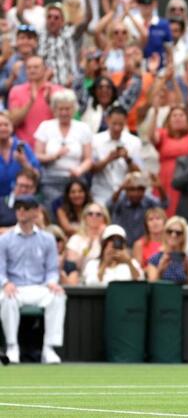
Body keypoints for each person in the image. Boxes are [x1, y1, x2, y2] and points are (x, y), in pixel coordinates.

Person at [0, 194, 66, 364]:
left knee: (58, 296)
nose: (21, 211)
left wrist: (52, 282)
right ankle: (12, 346)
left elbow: (51, 269)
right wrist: (6, 283)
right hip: (14, 288)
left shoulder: (48, 239)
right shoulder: (4, 239)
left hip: (39, 288)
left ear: (36, 212)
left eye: (26, 208)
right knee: (6, 298)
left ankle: (49, 348)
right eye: (19, 208)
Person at [32, 89, 91, 208]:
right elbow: (37, 155)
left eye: (67, 109)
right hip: (51, 179)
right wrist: (54, 156)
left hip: (75, 179)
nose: (64, 112)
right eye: (61, 109)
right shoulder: (45, 126)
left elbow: (88, 159)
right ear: (54, 109)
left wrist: (79, 170)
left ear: (73, 109)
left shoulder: (83, 128)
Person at [90, 105, 142, 205]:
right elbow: (92, 169)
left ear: (125, 122)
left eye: (120, 124)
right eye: (114, 124)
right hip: (101, 193)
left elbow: (138, 173)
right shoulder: (95, 140)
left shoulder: (134, 142)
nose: (117, 128)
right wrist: (108, 159)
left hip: (125, 194)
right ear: (107, 120)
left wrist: (128, 159)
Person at [151, 106, 188, 216]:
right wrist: (155, 113)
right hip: (165, 179)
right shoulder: (163, 134)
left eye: (181, 115)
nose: (178, 118)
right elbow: (152, 138)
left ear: (187, 119)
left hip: (186, 177)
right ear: (168, 120)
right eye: (174, 116)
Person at [107, 171, 167, 246]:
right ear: (126, 190)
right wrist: (120, 188)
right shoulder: (120, 199)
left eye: (140, 189)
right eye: (132, 189)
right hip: (121, 246)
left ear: (144, 190)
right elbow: (109, 206)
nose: (136, 193)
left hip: (142, 246)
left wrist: (160, 187)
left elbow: (164, 205)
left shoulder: (148, 200)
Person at [146, 216, 188, 285]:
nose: (173, 235)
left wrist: (187, 272)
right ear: (165, 234)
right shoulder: (155, 259)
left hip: (183, 295)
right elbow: (150, 287)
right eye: (169, 231)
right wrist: (160, 271)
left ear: (183, 236)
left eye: (178, 233)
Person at [0, 112, 40, 199]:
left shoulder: (21, 146)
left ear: (12, 127)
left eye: (6, 125)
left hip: (21, 200)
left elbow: (37, 176)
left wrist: (24, 162)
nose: (3, 128)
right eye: (0, 125)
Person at [65, 202, 109, 272]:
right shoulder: (75, 239)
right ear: (85, 218)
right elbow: (73, 267)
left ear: (104, 218)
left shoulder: (110, 238)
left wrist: (102, 240)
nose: (94, 217)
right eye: (90, 214)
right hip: (81, 279)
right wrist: (88, 248)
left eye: (98, 214)